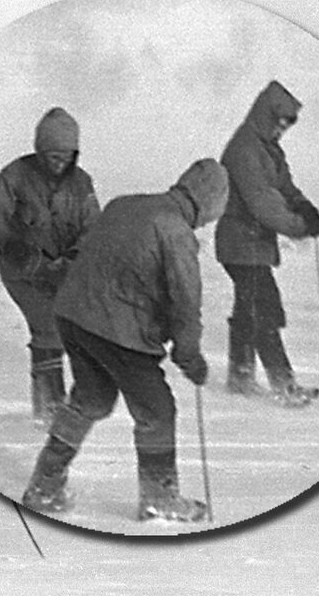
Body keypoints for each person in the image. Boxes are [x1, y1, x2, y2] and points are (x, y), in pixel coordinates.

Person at [20, 159, 229, 523]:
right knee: (157, 411)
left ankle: (44, 484)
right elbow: (185, 302)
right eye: (212, 215)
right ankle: (158, 497)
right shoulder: (176, 232)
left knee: (92, 399)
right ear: (209, 202)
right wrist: (189, 356)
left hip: (73, 316)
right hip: (118, 330)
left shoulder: (125, 203)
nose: (208, 223)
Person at [0, 107, 101, 424]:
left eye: (65, 155)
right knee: (47, 326)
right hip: (24, 272)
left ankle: (59, 404)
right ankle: (49, 408)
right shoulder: (16, 175)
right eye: (51, 154)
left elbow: (93, 227)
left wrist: (75, 257)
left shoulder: (82, 183)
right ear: (39, 150)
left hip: (64, 272)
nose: (58, 161)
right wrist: (13, 244)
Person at [215, 80, 319, 408]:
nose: (282, 131)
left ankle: (241, 374)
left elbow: (284, 187)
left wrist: (304, 206)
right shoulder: (246, 149)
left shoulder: (268, 148)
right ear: (267, 115)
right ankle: (282, 383)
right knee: (264, 309)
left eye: (286, 126)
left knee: (251, 309)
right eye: (280, 123)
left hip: (253, 244)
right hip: (240, 242)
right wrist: (298, 226)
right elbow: (263, 202)